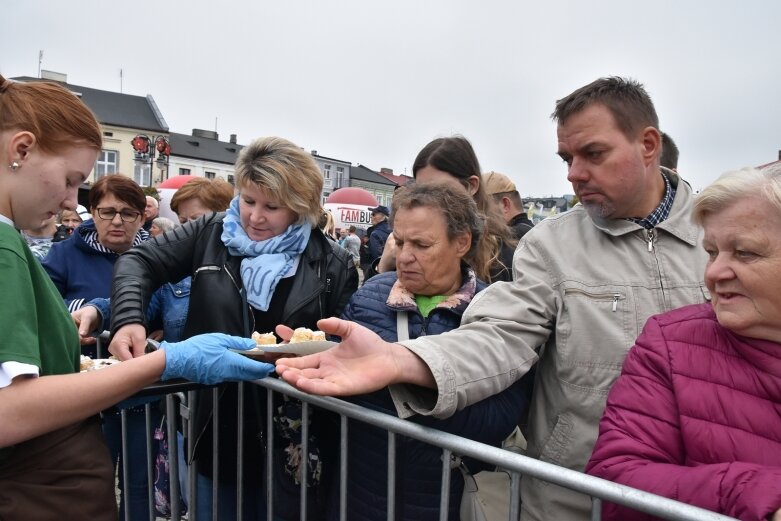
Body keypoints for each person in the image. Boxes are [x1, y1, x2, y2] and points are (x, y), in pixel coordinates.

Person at [276, 77, 710, 521]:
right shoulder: (550, 246)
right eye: (566, 158)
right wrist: (403, 362)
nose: (573, 173)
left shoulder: (722, 234)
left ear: (649, 144)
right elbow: (501, 337)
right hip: (577, 497)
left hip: (706, 496)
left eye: (593, 154)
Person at [0, 74, 272, 521]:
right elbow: (11, 410)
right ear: (21, 149)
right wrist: (163, 362)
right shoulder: (8, 247)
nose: (72, 202)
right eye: (70, 180)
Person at [108, 136, 359, 521]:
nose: (255, 217)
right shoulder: (211, 232)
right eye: (249, 200)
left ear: (300, 207)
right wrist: (128, 317)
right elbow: (138, 262)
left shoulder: (333, 262)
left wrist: (316, 351)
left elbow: (345, 343)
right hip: (217, 426)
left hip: (294, 436)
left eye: (272, 207)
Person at [586, 165, 781, 521]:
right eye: (711, 252)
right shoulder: (670, 345)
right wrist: (750, 492)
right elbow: (614, 484)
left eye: (745, 253)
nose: (714, 272)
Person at [329, 182, 530, 521]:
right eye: (401, 241)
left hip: (446, 501)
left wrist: (406, 383)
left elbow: (502, 415)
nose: (405, 256)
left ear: (461, 243)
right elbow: (338, 385)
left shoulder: (493, 311)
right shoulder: (370, 297)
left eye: (421, 244)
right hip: (362, 494)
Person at [72, 174, 237, 511]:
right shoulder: (172, 275)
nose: (188, 231)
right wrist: (96, 312)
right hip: (186, 414)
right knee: (190, 500)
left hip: (237, 410)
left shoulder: (243, 265)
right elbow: (138, 302)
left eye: (197, 220)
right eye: (184, 221)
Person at [376, 136, 516, 283]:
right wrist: (383, 267)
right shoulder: (403, 243)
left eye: (441, 189)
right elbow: (374, 301)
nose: (428, 199)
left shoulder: (503, 259)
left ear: (471, 186)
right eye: (420, 189)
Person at [42, 175, 149, 314]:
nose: (117, 221)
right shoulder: (63, 254)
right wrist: (87, 311)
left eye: (128, 214)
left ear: (142, 219)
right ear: (93, 213)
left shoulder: (156, 256)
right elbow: (42, 303)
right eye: (108, 212)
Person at [483, 171, 535, 240]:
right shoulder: (534, 233)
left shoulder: (507, 241)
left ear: (505, 205)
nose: (478, 215)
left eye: (482, 207)